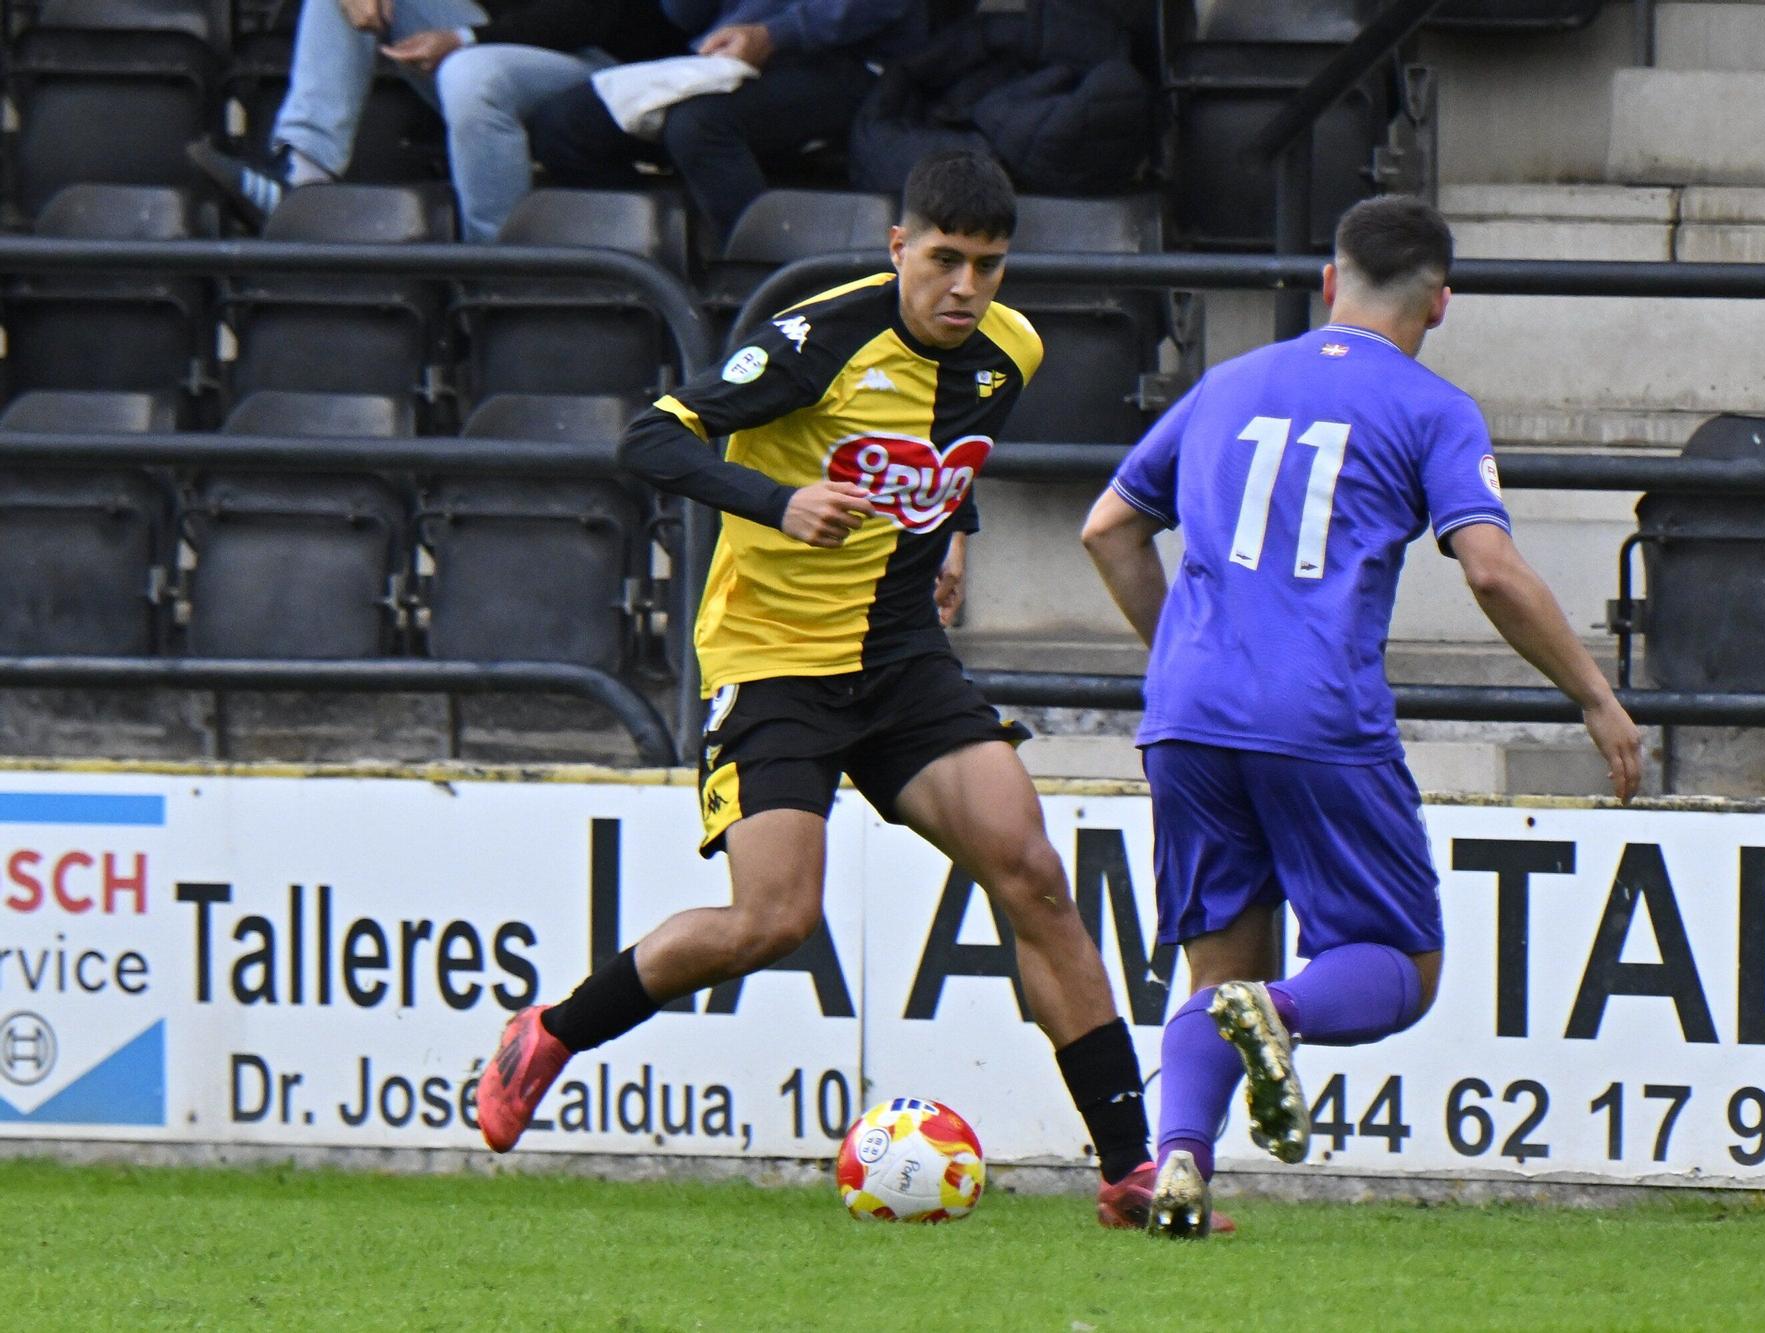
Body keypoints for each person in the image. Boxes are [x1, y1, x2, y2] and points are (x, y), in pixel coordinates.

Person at [474, 149, 1212, 1231]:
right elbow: (651, 436)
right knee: (772, 918)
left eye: (988, 266)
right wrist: (776, 503)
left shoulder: (1010, 350)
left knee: (1033, 872)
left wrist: (950, 525)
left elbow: (940, 455)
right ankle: (550, 1030)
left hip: (901, 657)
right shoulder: (817, 341)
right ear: (898, 248)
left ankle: (1128, 1171)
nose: (964, 288)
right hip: (772, 659)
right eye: (945, 260)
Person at [1080, 195, 1644, 1238]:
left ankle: (1178, 1169)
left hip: (1187, 712)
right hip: (1316, 715)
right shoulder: (1431, 408)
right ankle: (1281, 1015)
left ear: (1328, 283)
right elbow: (1489, 569)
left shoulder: (1224, 383)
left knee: (1216, 969)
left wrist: (1177, 655)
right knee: (1399, 961)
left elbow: (1108, 528)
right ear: (1438, 302)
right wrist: (1594, 695)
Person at [187, 0, 687, 240]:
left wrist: (466, 38)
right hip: (503, 44)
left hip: (613, 73)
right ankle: (304, 175)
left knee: (474, 72)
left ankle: (495, 266)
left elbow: (589, 17)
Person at [525, 0, 924, 247]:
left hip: (851, 61)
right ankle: (658, 260)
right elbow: (684, 14)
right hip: (727, 57)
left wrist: (775, 34)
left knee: (697, 125)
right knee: (562, 126)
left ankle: (766, 290)